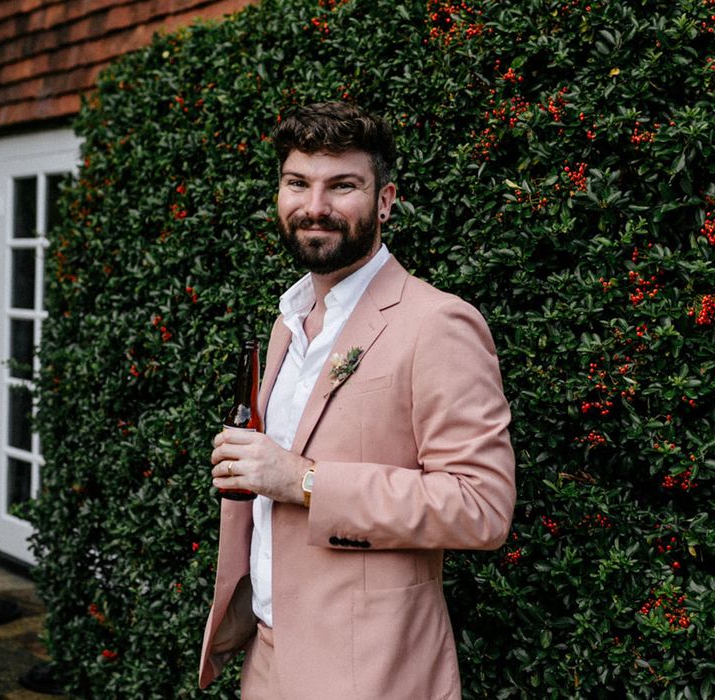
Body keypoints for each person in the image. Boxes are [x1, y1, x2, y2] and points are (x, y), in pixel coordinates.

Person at [199, 101, 515, 700]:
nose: (314, 206)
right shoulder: (289, 320)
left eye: (342, 185)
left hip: (372, 674)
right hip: (264, 658)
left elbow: (483, 506)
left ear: (386, 201)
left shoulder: (438, 323)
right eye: (298, 183)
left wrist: (305, 480)